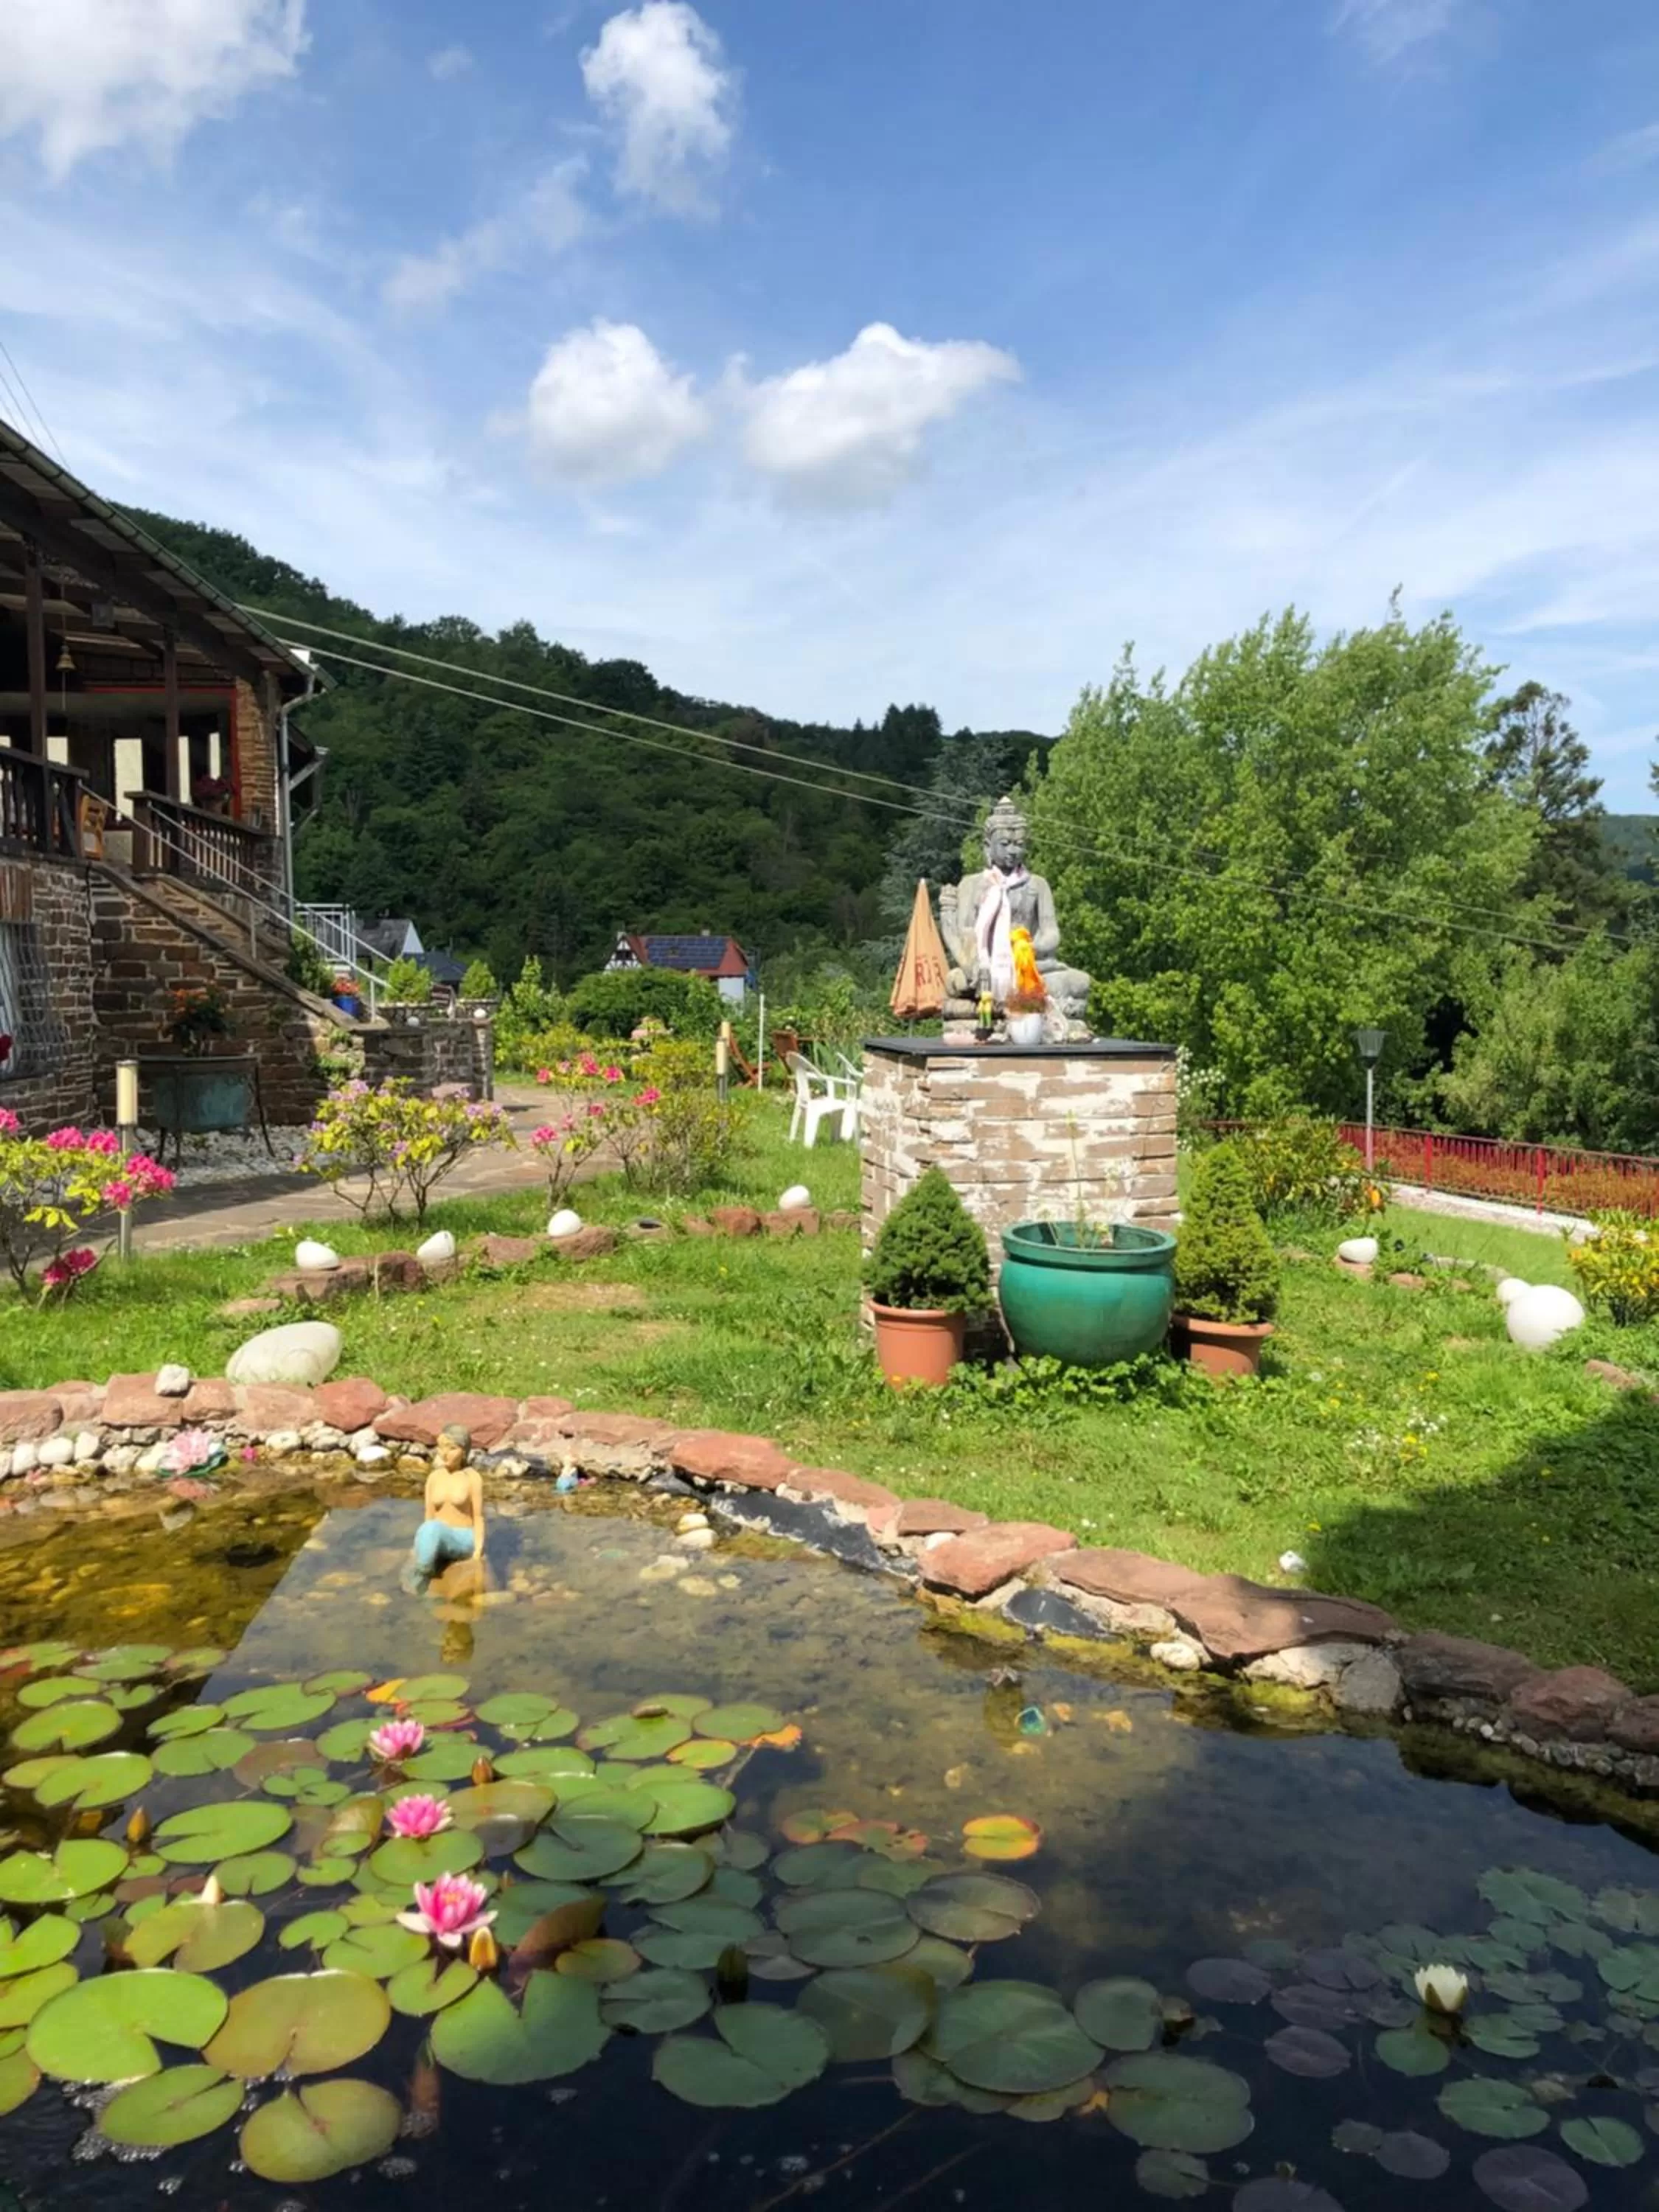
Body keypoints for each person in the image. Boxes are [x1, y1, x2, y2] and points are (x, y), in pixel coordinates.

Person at [408, 1425, 484, 1582]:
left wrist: (478, 1551)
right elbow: (429, 1515)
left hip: (463, 1538)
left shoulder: (472, 1478)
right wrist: (423, 1542)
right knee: (428, 1529)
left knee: (433, 1529)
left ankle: (422, 1574)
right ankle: (425, 1570)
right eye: (441, 1447)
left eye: (452, 1448)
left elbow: (478, 1517)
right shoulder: (434, 1478)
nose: (444, 1453)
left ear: (464, 1452)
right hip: (438, 1535)